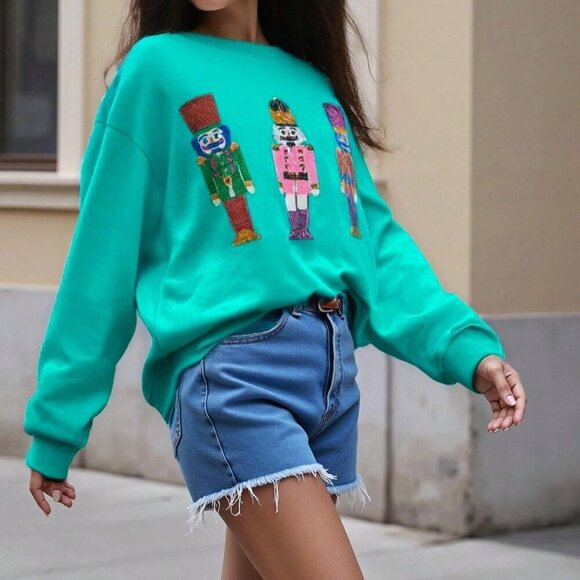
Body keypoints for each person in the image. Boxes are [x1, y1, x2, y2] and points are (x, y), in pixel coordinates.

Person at [23, 0, 527, 578]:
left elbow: (376, 245)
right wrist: (58, 422)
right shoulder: (156, 69)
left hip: (332, 381)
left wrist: (466, 347)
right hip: (236, 381)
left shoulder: (313, 84)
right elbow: (102, 256)